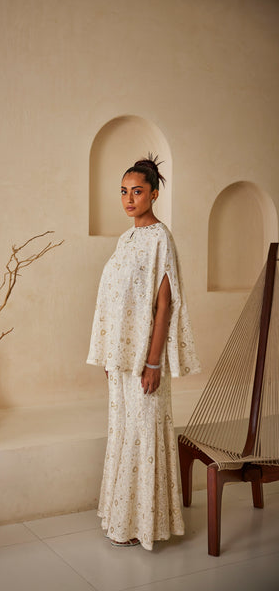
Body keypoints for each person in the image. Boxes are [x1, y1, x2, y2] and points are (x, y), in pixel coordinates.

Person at [87, 154, 200, 550]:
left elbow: (164, 305)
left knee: (144, 433)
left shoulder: (160, 239)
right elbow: (115, 299)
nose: (129, 199)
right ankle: (122, 518)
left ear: (153, 194)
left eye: (137, 192)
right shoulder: (125, 239)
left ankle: (145, 524)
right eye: (124, 192)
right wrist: (109, 353)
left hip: (144, 360)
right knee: (124, 432)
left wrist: (153, 362)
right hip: (121, 360)